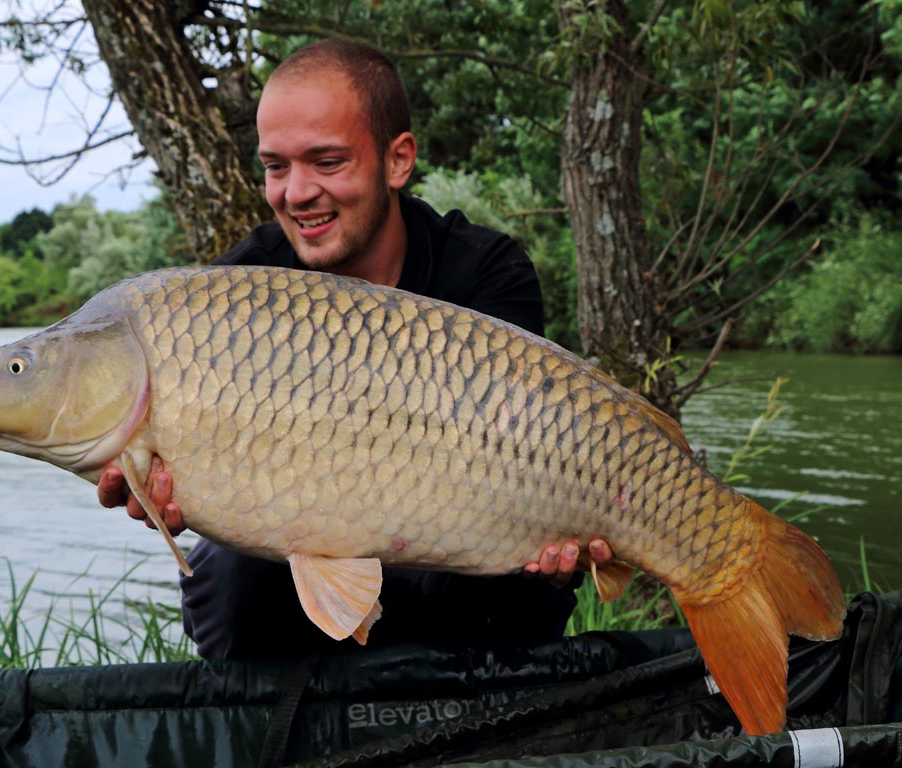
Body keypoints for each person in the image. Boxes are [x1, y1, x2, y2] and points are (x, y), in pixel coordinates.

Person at [99, 38, 613, 660]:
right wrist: (158, 482)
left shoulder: (484, 271)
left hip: (463, 539)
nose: (296, 192)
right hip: (299, 540)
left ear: (397, 161)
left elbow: (537, 450)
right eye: (276, 166)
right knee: (222, 578)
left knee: (517, 583)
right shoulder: (237, 291)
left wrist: (563, 540)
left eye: (327, 161)